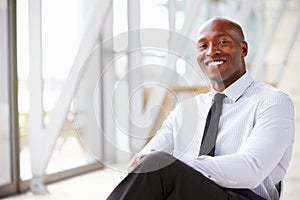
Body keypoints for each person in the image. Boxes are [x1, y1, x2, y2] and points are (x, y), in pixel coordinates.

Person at [106, 17, 295, 200]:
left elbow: (251, 170)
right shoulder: (186, 110)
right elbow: (142, 162)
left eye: (222, 42)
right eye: (203, 46)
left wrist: (179, 162)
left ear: (243, 49)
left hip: (245, 197)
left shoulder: (273, 102)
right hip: (194, 193)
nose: (212, 52)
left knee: (160, 165)